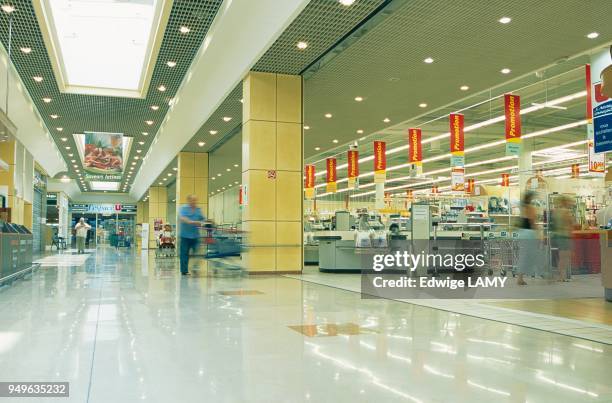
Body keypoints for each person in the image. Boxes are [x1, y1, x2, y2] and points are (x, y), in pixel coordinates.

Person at [178, 195, 205, 275]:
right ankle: (184, 271)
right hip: (185, 236)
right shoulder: (184, 208)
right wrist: (191, 222)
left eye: (195, 200)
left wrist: (204, 222)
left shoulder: (198, 209)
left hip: (195, 236)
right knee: (184, 254)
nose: (194, 202)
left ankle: (195, 267)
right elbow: (182, 218)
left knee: (198, 252)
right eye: (193, 200)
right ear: (189, 200)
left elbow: (202, 219)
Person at [517, 191, 539, 286]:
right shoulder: (531, 208)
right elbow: (533, 222)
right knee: (530, 255)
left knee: (524, 255)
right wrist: (538, 234)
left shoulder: (523, 207)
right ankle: (521, 277)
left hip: (522, 232)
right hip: (529, 233)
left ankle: (520, 277)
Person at [550, 196, 574, 282]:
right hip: (565, 236)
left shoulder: (556, 212)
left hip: (558, 236)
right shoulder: (566, 212)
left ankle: (561, 276)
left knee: (562, 257)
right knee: (565, 257)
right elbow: (570, 224)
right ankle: (561, 276)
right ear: (565, 202)